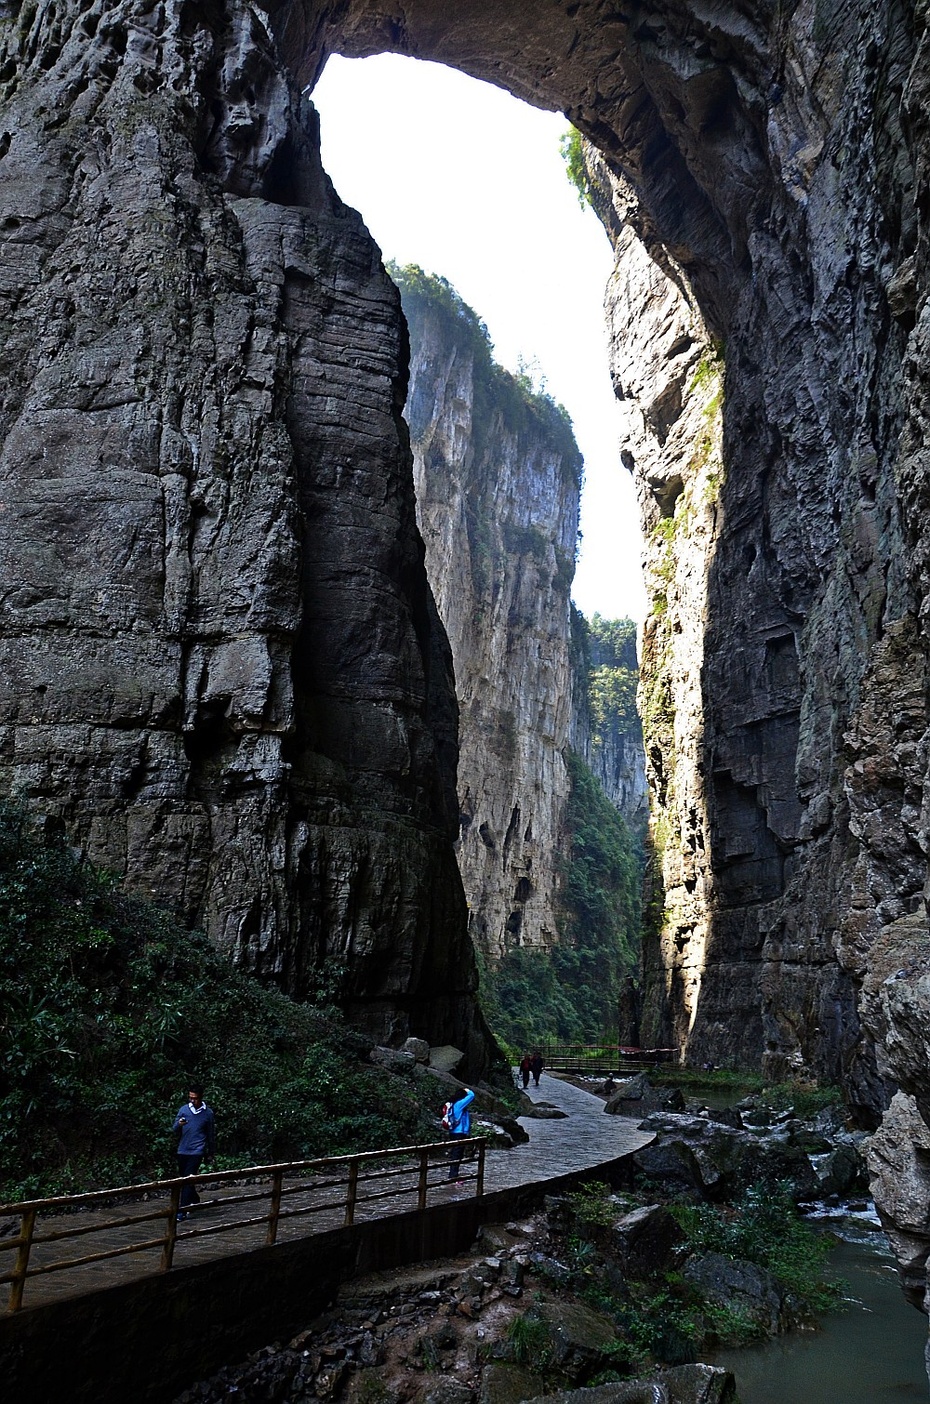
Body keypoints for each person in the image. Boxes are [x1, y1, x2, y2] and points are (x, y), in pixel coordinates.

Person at [172, 1082, 216, 1220]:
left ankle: (182, 1210)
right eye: (190, 1097)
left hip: (197, 1151)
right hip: (182, 1150)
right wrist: (179, 1124)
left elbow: (211, 1134)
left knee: (187, 1179)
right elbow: (174, 1129)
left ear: (201, 1097)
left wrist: (210, 1153)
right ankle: (194, 1198)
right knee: (184, 1178)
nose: (192, 1100)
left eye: (195, 1098)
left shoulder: (208, 1113)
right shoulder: (184, 1110)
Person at [445, 1086, 475, 1182]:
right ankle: (453, 1176)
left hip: (454, 1132)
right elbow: (472, 1095)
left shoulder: (454, 1104)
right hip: (459, 1133)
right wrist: (466, 1089)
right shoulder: (459, 1105)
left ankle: (453, 1174)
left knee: (456, 1153)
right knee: (457, 1154)